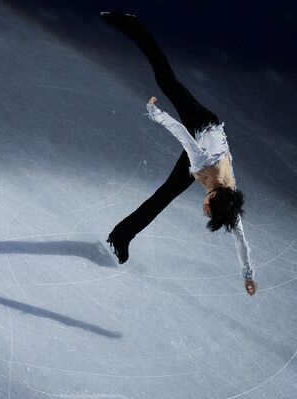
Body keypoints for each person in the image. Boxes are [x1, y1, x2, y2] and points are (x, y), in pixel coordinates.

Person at [101, 12, 257, 295]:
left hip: (205, 145)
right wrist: (157, 113)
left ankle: (120, 236)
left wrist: (248, 276)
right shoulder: (202, 162)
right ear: (214, 195)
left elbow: (242, 242)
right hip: (200, 122)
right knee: (166, 80)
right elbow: (183, 134)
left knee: (164, 194)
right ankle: (132, 24)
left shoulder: (229, 205)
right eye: (208, 207)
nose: (204, 209)